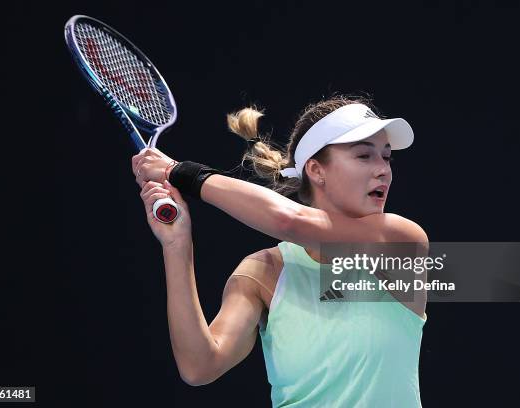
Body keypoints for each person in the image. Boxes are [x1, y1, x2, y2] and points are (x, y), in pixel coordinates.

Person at [132, 95, 429, 407]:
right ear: (316, 170)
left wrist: (182, 172)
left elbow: (288, 220)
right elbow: (199, 366)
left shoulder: (400, 241)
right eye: (364, 156)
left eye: (386, 157)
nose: (384, 170)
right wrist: (176, 245)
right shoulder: (263, 271)